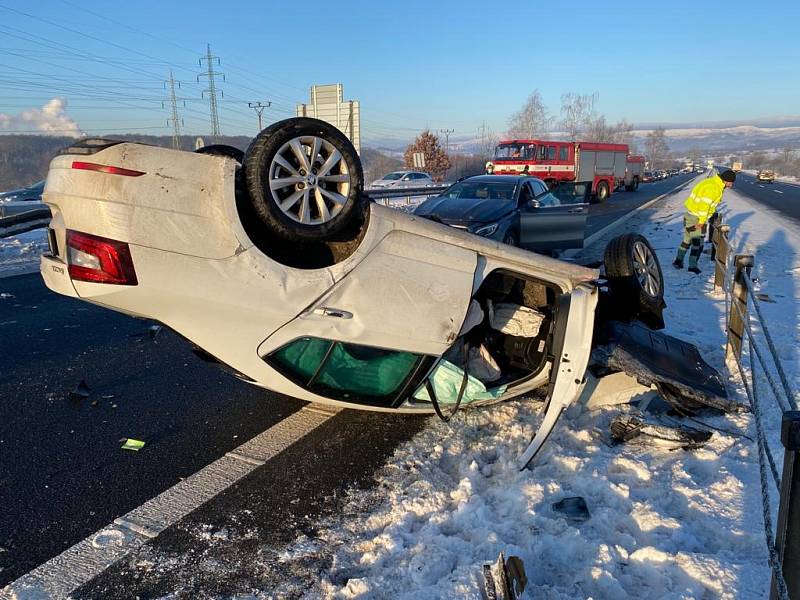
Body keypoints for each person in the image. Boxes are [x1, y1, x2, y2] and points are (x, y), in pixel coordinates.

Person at [673, 169, 736, 274]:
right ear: (726, 181)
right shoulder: (714, 188)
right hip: (697, 218)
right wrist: (702, 221)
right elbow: (704, 205)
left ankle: (678, 261)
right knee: (698, 244)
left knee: (687, 240)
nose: (731, 185)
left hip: (690, 215)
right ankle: (692, 266)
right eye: (731, 183)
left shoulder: (711, 182)